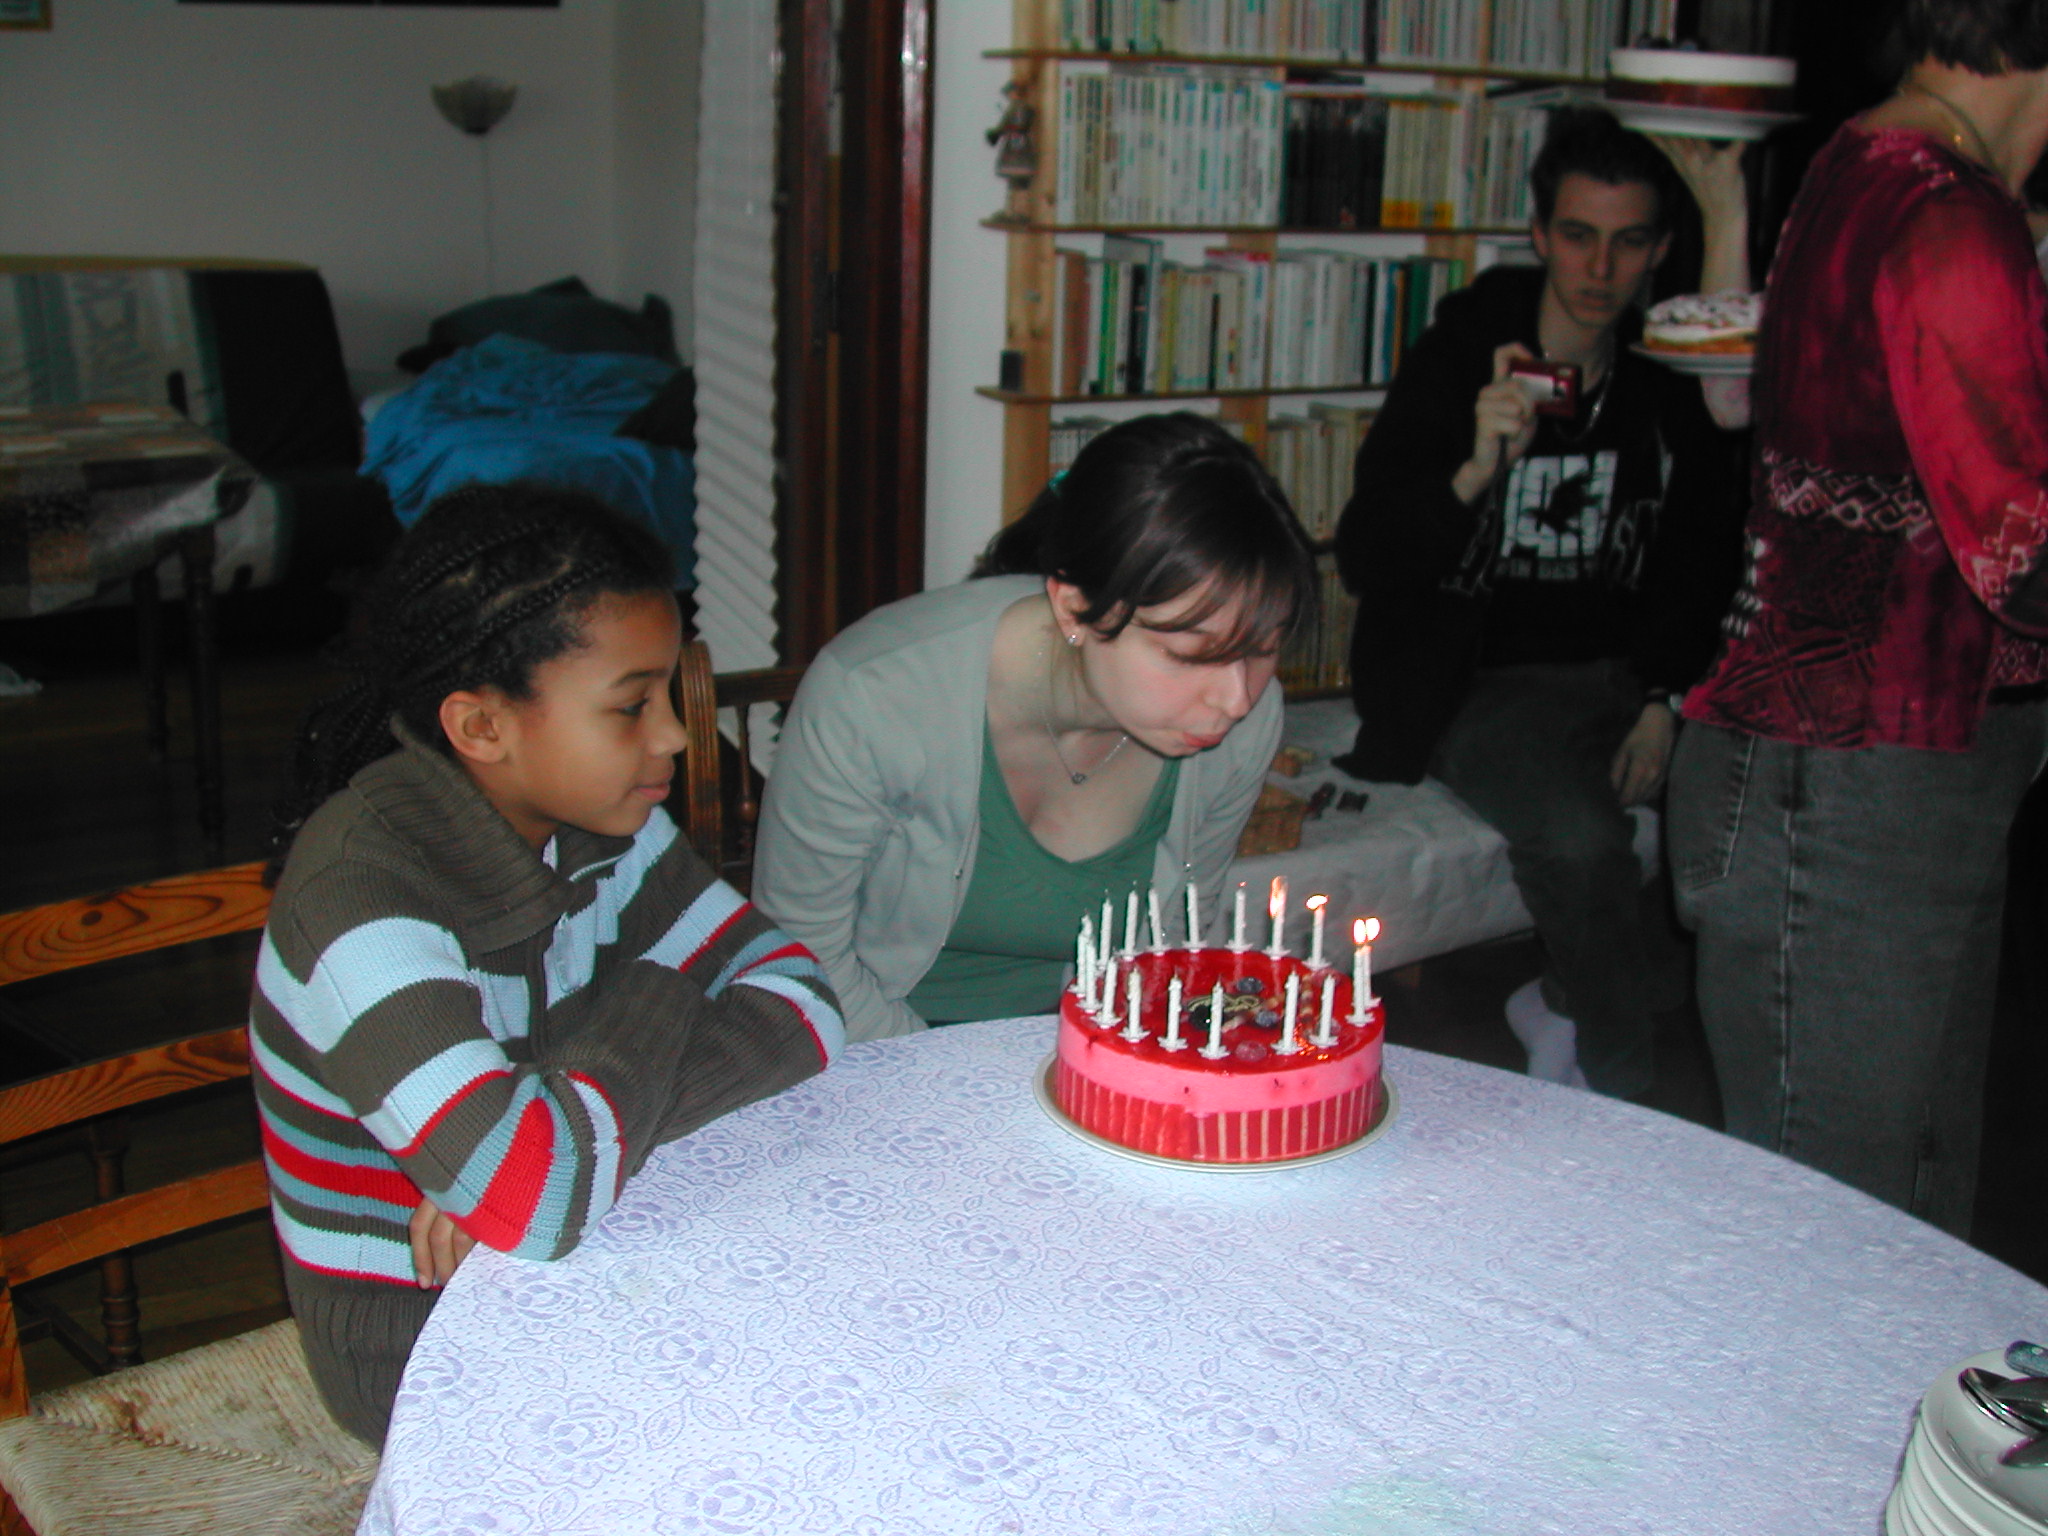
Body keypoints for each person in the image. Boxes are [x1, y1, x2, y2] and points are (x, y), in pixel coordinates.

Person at [253, 483, 843, 1446]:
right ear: (481, 727)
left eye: (668, 695)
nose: (674, 736)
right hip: (425, 1354)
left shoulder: (604, 825)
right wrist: (664, 986)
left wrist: (552, 1120)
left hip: (590, 1260)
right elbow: (538, 1196)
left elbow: (805, 1003)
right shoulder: (357, 900)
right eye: (631, 706)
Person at [1667, 0, 2048, 1238]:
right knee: (1842, 1232)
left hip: (1870, 770)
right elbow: (2023, 560)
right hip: (1851, 780)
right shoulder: (1945, 216)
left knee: (1896, 1215)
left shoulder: (1869, 162)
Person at [1331, 106, 1750, 1097]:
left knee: (1737, 830)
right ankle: (1618, 1093)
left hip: (1624, 675)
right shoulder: (1465, 351)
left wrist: (1666, 699)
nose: (1598, 268)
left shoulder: (1665, 369)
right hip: (1478, 682)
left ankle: (1564, 1002)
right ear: (1538, 234)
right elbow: (1365, 554)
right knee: (1580, 840)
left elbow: (1705, 546)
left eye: (1628, 241)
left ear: (1659, 249)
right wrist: (1472, 473)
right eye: (1576, 235)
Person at [754, 412, 1318, 1043]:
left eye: (1263, 650)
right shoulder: (873, 696)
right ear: (1074, 608)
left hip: (1083, 1045)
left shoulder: (1245, 724)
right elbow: (801, 953)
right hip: (877, 1042)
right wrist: (956, 1079)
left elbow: (1177, 938)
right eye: (1192, 654)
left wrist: (1092, 1060)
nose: (1237, 699)